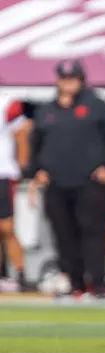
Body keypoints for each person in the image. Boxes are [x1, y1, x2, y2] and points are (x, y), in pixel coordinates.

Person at [27, 60, 105, 298]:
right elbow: (34, 142)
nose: (69, 83)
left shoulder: (96, 105)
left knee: (92, 233)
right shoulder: (46, 110)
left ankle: (98, 284)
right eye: (65, 78)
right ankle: (74, 281)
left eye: (74, 78)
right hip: (56, 183)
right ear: (58, 80)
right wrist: (36, 170)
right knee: (63, 234)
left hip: (89, 182)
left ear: (81, 79)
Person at [0, 92, 29, 290]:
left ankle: (20, 274)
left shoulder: (7, 101)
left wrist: (22, 166)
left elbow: (22, 133)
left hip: (3, 172)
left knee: (6, 227)